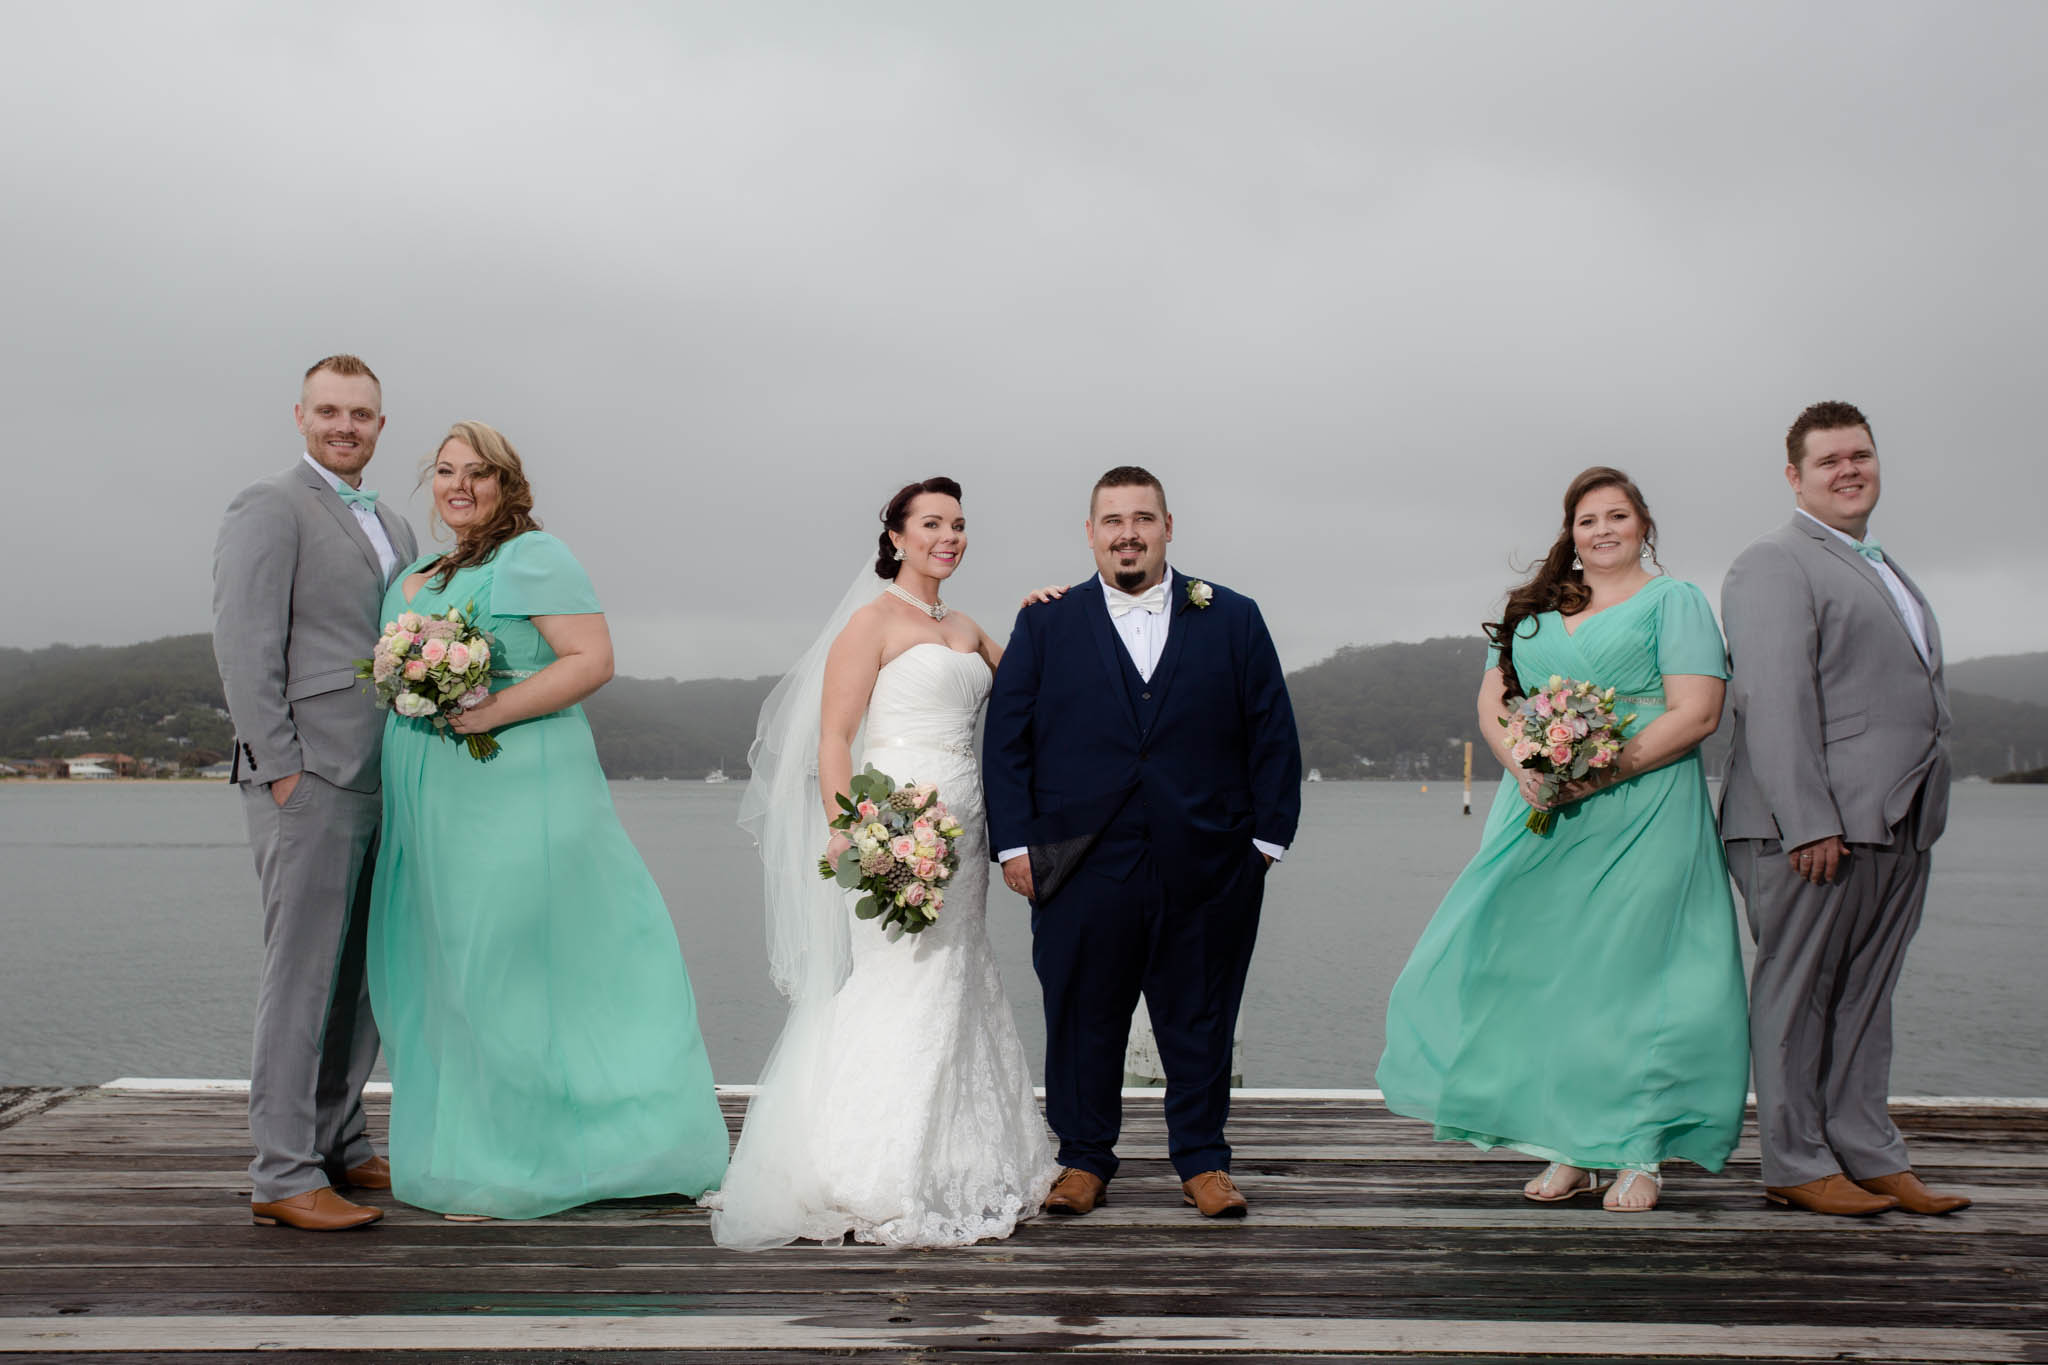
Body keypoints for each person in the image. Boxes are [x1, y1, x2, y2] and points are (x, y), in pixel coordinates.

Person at [365, 421, 728, 1220]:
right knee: (443, 972)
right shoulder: (413, 577)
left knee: (505, 966)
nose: (460, 486)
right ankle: (472, 1153)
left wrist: (487, 711)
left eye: (478, 472)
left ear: (507, 482)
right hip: (429, 801)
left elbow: (591, 660)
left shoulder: (533, 555)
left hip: (516, 789)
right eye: (446, 471)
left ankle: (547, 1160)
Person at [1376, 466, 1749, 1212]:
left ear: (1644, 524)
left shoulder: (1674, 601)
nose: (1602, 530)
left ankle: (1638, 1149)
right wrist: (1527, 766)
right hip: (1542, 810)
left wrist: (1597, 773)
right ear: (1570, 533)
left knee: (1633, 974)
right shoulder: (1535, 610)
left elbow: (1698, 712)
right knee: (1552, 973)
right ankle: (1573, 1145)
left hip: (1644, 807)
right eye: (1587, 519)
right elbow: (1494, 702)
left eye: (1617, 515)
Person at [708, 477, 1055, 1248]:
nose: (949, 536)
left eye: (958, 524)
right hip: (898, 822)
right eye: (931, 523)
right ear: (896, 536)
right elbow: (834, 737)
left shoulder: (966, 626)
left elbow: (1033, 689)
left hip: (967, 826)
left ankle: (963, 1155)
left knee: (958, 973)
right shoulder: (869, 623)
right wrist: (853, 831)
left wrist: (1043, 617)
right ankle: (868, 1164)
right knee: (898, 976)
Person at [983, 466, 1301, 1220]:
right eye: (1113, 520)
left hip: (1211, 860)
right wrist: (1014, 845)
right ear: (1091, 533)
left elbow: (1272, 731)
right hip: (1077, 859)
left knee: (1201, 1013)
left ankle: (1203, 1161)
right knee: (1080, 1014)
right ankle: (1083, 1159)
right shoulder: (1045, 623)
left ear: (1167, 527)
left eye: (1143, 519)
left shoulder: (1234, 616)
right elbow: (1007, 741)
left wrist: (1264, 844)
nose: (1128, 534)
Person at [1720, 402, 1967, 1218]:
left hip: (1899, 820)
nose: (1849, 469)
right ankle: (1794, 1161)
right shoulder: (1772, 562)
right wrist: (1809, 820)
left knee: (1866, 998)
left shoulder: (1884, 564)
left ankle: (1867, 1151)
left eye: (1860, 454)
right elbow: (1771, 697)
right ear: (1795, 477)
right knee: (1797, 995)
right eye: (1829, 460)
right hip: (1811, 829)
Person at [213, 355, 419, 1231]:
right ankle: (282, 1171)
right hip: (308, 776)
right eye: (329, 410)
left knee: (360, 977)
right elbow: (243, 642)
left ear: (381, 425)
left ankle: (338, 1139)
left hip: (384, 776)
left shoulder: (396, 523)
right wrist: (282, 767)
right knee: (301, 976)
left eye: (361, 414)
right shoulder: (269, 505)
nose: (345, 425)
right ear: (300, 416)